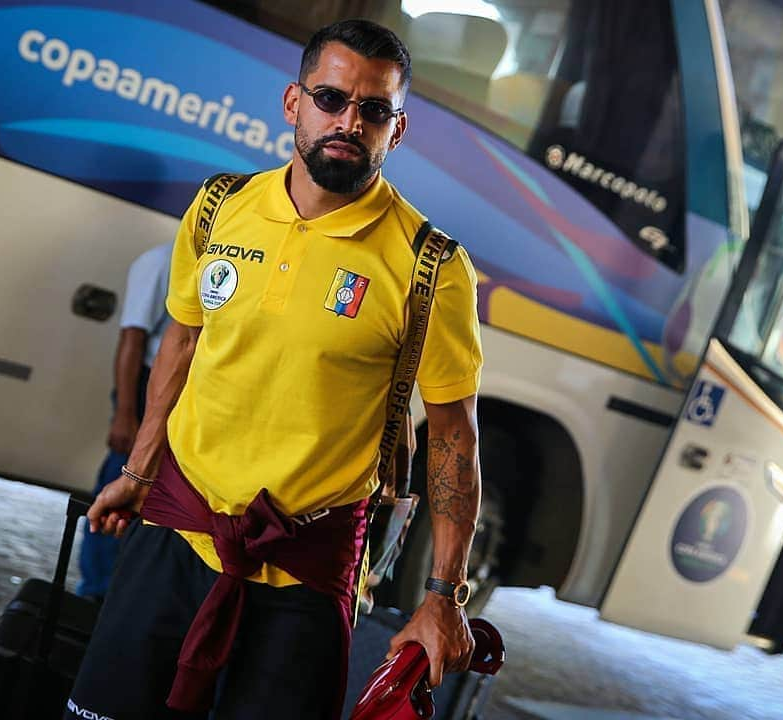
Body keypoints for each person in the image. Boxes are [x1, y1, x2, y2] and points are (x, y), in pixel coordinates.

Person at [64, 19, 483, 720]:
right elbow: (183, 342)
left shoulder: (430, 266)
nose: (349, 121)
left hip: (305, 571)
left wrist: (442, 596)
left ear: (397, 129)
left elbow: (455, 437)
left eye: (374, 110)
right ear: (294, 103)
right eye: (331, 99)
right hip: (175, 528)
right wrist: (137, 473)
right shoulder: (221, 206)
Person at [75, 242, 172, 601]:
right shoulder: (162, 260)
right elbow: (132, 338)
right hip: (147, 388)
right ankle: (94, 592)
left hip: (177, 393)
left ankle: (118, 594)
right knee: (119, 491)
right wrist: (125, 412)